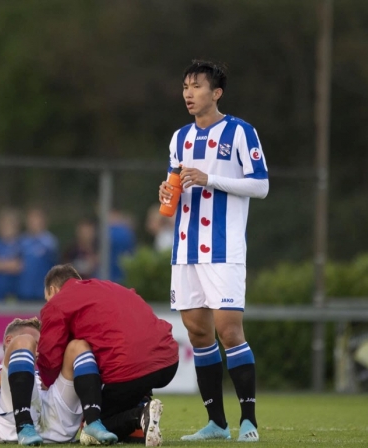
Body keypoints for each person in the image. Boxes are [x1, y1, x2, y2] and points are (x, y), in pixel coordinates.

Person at [158, 60, 269, 442]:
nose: (188, 93)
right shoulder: (179, 138)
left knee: (229, 330)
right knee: (197, 332)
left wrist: (211, 179)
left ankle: (249, 420)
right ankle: (216, 424)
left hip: (225, 247)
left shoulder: (240, 132)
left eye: (197, 86)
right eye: (185, 86)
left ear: (216, 93)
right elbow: (178, 182)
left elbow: (261, 186)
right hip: (185, 248)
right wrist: (167, 191)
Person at [37, 264, 180, 446]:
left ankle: (139, 415)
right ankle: (139, 414)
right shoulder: (110, 287)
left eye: (47, 298)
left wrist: (47, 382)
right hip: (169, 360)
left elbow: (50, 356)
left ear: (52, 289)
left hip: (131, 369)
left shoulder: (59, 303)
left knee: (93, 426)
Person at [0, 317, 117, 446]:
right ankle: (24, 424)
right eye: (36, 346)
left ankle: (93, 422)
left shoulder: (42, 374)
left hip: (58, 427)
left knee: (77, 346)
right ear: (9, 341)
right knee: (25, 341)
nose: (37, 353)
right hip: (11, 424)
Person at [17, 208, 58, 301]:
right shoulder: (22, 241)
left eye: (36, 219)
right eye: (30, 220)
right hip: (23, 292)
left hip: (43, 293)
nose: (33, 223)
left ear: (43, 221)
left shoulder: (50, 242)